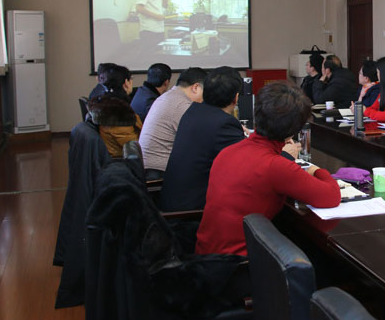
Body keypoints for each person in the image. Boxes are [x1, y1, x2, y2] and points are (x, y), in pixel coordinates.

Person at [195, 82, 341, 256]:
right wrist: (315, 170)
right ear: (294, 130)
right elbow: (331, 196)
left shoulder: (228, 151)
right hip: (236, 262)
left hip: (204, 254)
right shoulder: (275, 165)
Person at [159, 67, 246, 211]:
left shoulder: (193, 111)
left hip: (173, 202)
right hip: (192, 212)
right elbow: (248, 165)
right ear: (236, 98)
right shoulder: (224, 123)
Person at [139, 67, 207, 180]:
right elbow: (200, 141)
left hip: (148, 166)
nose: (204, 99)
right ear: (196, 87)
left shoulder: (169, 96)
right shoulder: (181, 105)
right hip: (159, 171)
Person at [87, 64, 142, 158]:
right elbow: (135, 147)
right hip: (125, 161)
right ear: (126, 83)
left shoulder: (106, 106)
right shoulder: (117, 113)